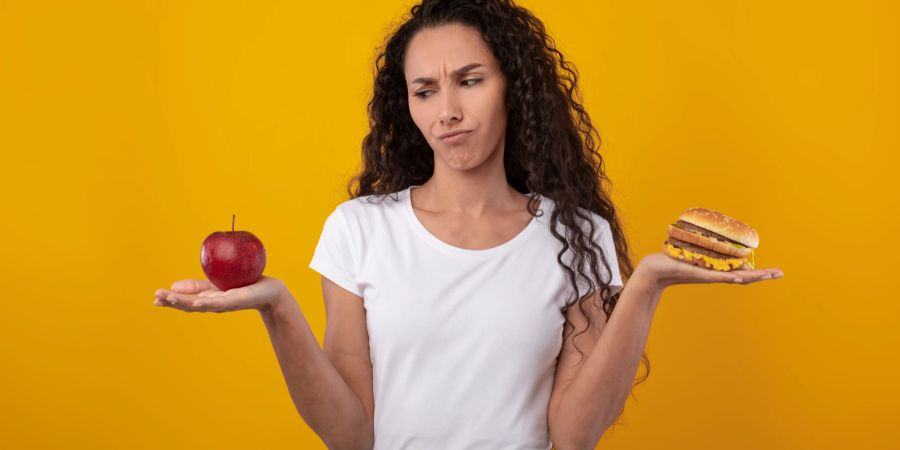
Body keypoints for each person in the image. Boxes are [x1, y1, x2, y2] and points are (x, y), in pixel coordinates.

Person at [153, 0, 784, 448]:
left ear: (515, 88)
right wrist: (277, 308)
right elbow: (351, 436)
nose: (447, 112)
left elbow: (573, 435)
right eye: (425, 90)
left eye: (470, 81)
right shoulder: (359, 230)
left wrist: (644, 288)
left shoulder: (577, 235)